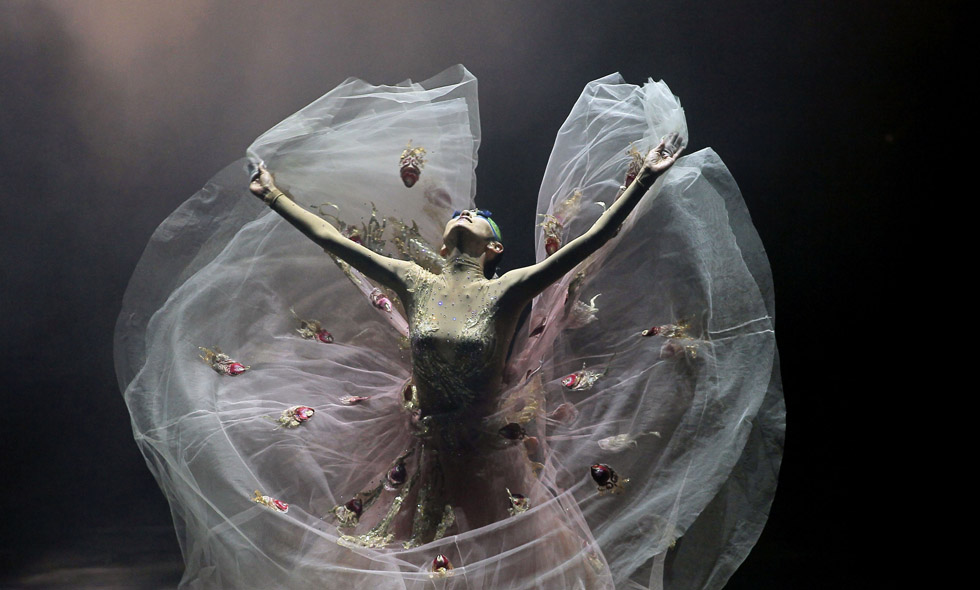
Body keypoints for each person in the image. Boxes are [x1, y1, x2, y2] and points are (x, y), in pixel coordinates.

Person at [116, 65, 783, 589]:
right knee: (408, 560)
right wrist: (275, 197)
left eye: (481, 217)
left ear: (492, 247)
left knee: (498, 564)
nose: (468, 212)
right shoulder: (415, 281)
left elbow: (595, 239)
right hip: (425, 449)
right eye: (463, 213)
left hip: (487, 460)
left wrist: (644, 182)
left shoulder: (510, 290)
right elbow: (334, 240)